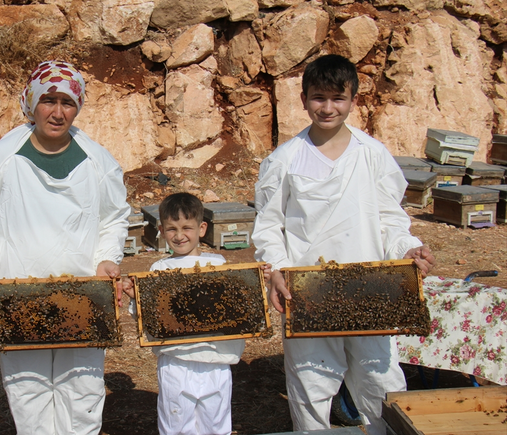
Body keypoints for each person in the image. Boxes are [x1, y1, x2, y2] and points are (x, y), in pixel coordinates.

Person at [251, 54, 436, 435]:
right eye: (319, 98)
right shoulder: (284, 160)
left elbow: (390, 219)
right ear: (303, 100)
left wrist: (408, 248)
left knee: (380, 383)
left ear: (353, 100)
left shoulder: (373, 155)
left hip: (371, 290)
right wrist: (278, 269)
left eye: (338, 98)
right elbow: (269, 227)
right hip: (308, 292)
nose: (328, 107)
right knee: (311, 387)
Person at [0, 60, 130, 435]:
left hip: (83, 297)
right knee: (29, 396)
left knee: (83, 396)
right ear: (31, 102)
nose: (58, 112)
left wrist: (107, 259)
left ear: (79, 106)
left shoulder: (99, 163)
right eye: (48, 100)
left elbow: (114, 218)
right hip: (18, 295)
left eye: (68, 102)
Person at [125, 192, 245, 435]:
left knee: (216, 426)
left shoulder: (221, 265)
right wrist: (135, 298)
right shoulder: (159, 268)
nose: (179, 236)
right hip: (175, 362)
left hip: (216, 361)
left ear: (202, 228)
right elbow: (150, 316)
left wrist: (256, 283)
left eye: (186, 228)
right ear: (161, 230)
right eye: (171, 229)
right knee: (176, 427)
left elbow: (242, 309)